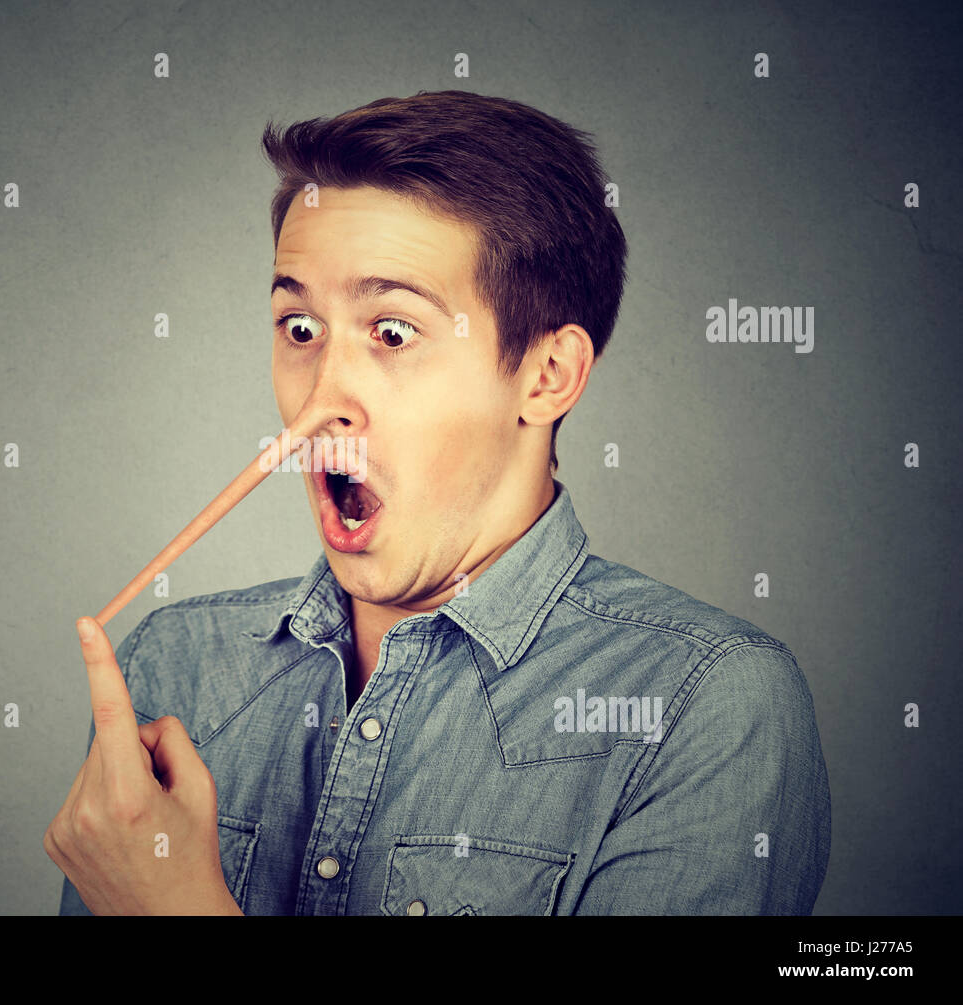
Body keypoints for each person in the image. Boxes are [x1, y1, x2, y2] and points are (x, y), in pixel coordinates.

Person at [53, 90, 831, 915]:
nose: (321, 400)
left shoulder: (707, 706)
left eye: (392, 332)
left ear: (546, 375)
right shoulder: (173, 664)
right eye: (300, 327)